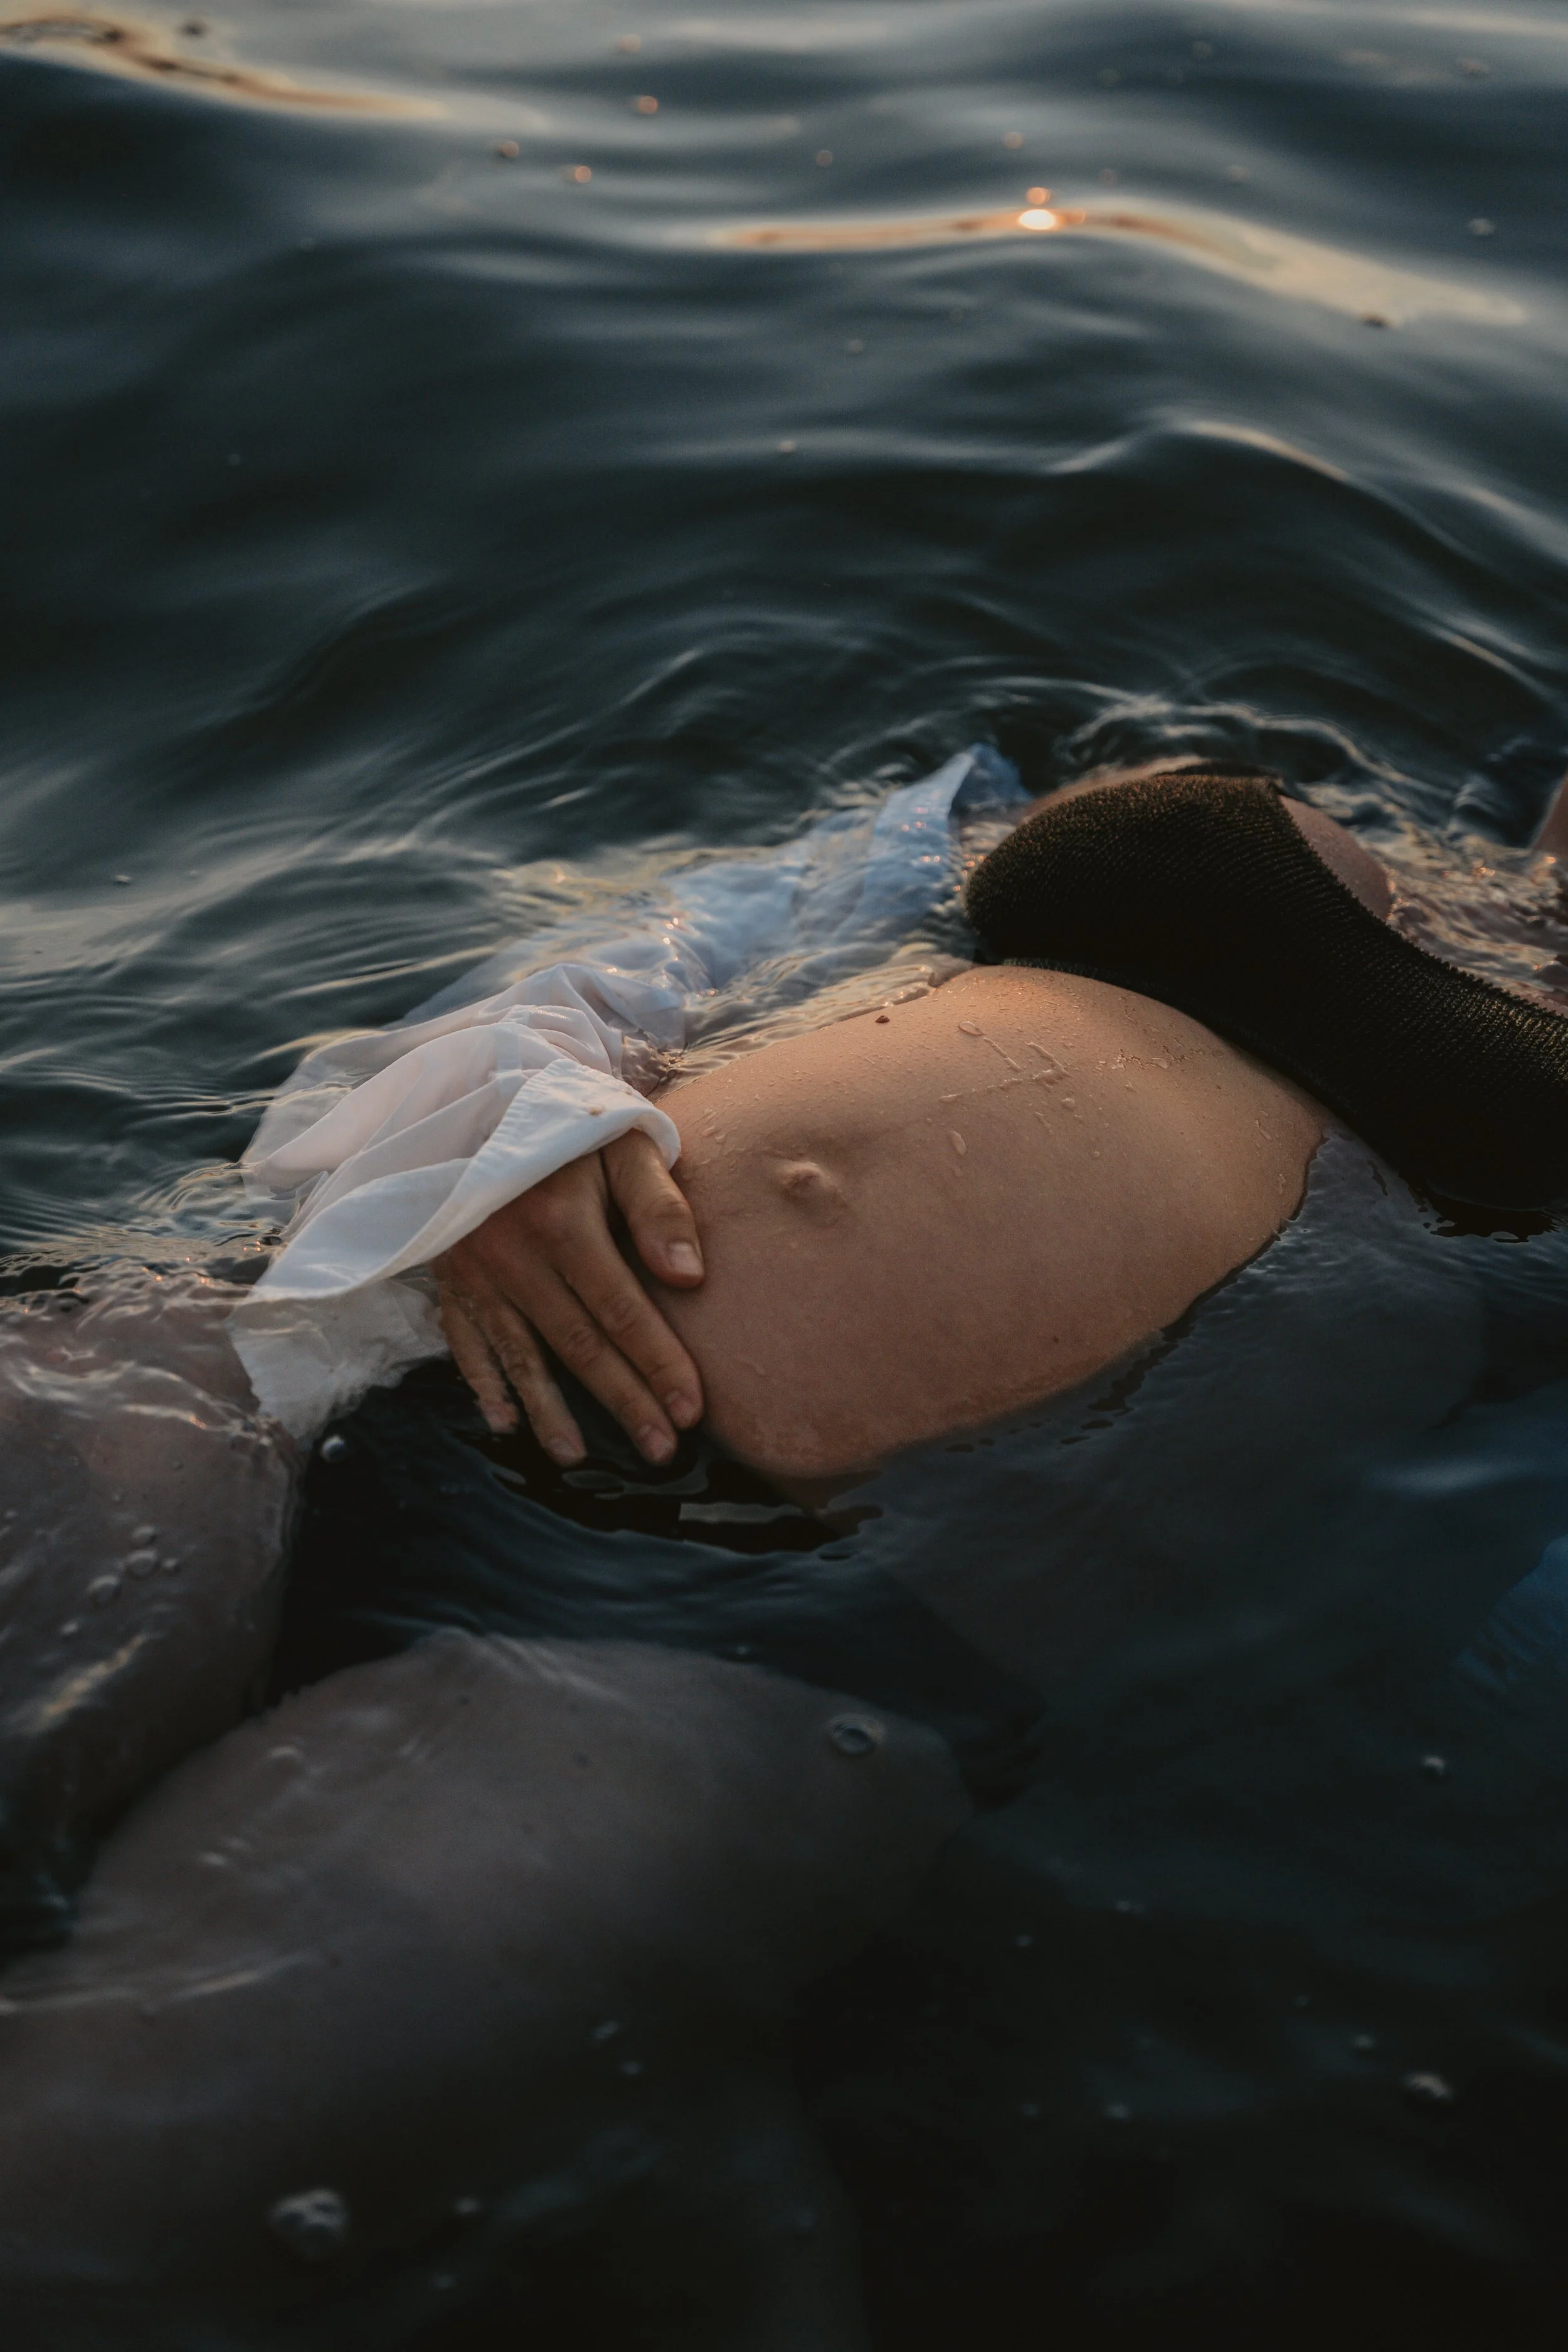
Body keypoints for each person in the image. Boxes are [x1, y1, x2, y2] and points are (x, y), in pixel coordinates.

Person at [1, 746, 1563, 2346]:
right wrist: (510, 1106)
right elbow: (735, 930)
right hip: (360, 1319)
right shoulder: (1300, 803)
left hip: (741, 1636)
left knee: (68, 2186)